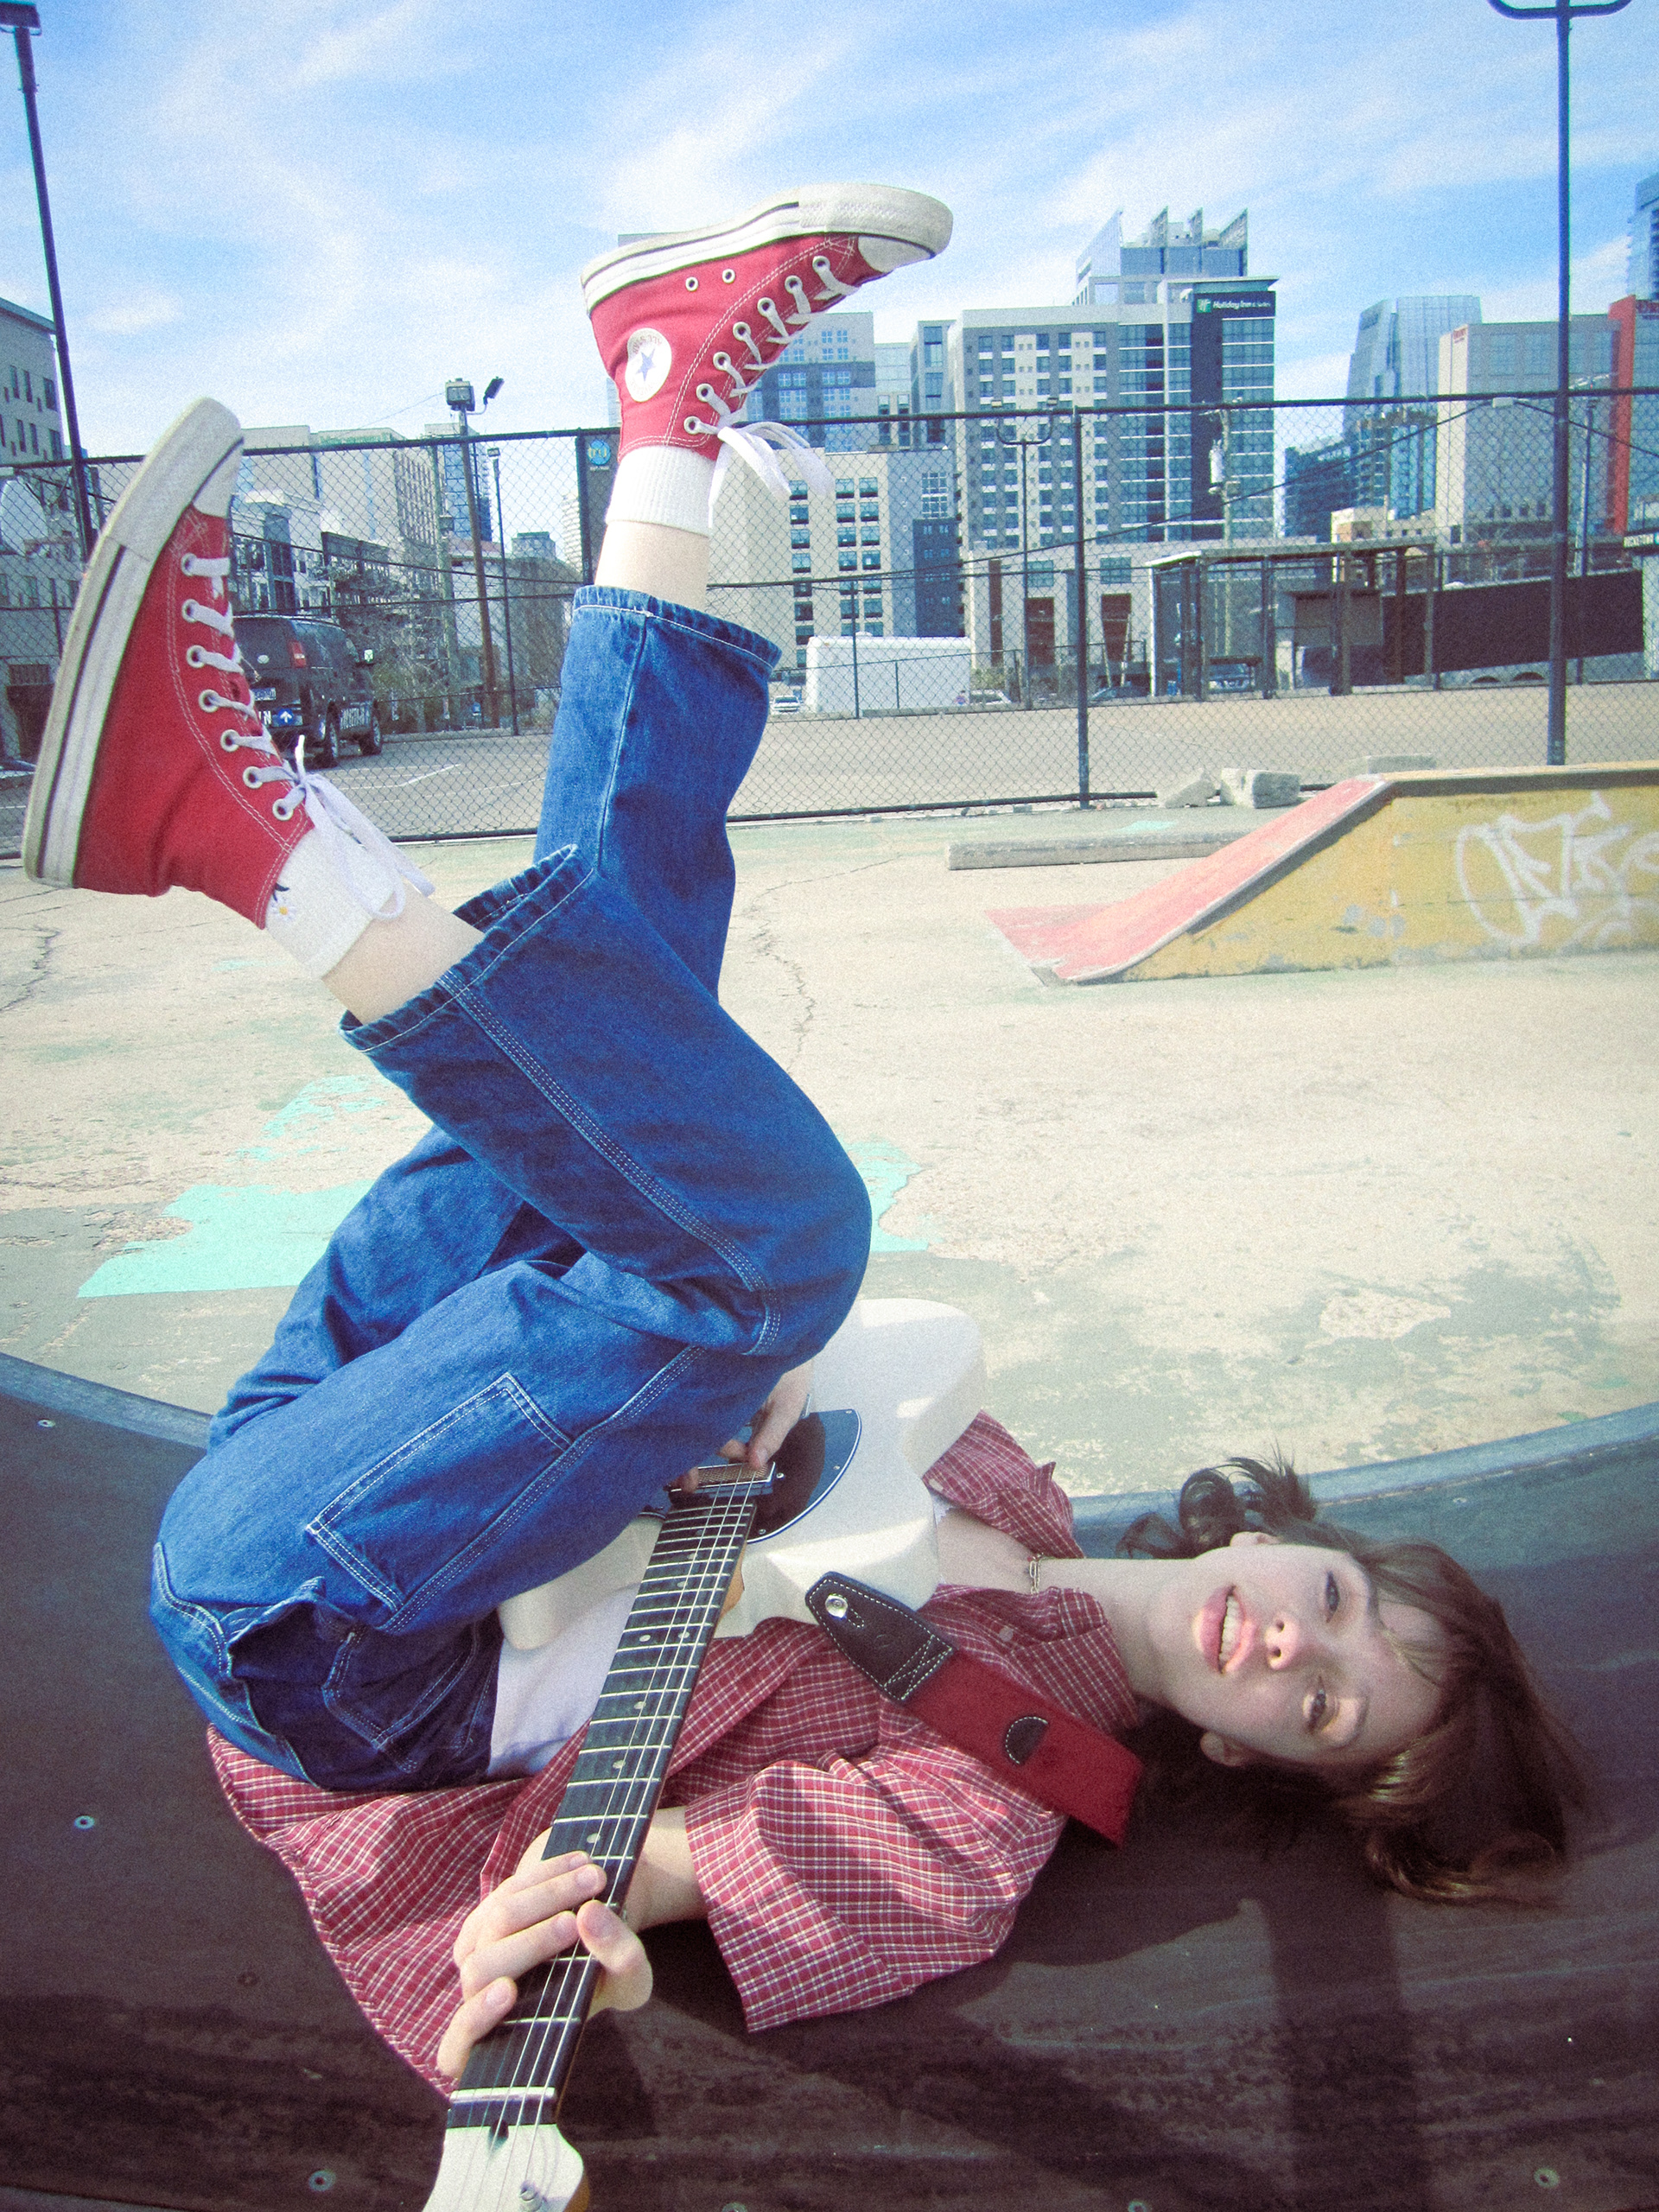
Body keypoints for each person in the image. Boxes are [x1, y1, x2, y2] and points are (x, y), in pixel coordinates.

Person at [23, 182, 1581, 2089]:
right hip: (362, 1423)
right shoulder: (998, 1478)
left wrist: (563, 1933)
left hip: (327, 1635)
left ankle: (235, 830)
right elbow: (723, 1425)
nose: (1288, 1648)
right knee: (643, 1010)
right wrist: (732, 1415)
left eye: (1324, 1709)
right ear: (1282, 1535)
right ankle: (667, 410)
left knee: (780, 1246)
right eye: (1332, 1605)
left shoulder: (1004, 1797)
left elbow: (618, 1881)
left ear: (1251, 1756)